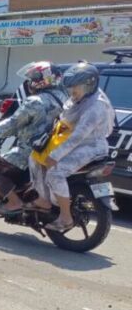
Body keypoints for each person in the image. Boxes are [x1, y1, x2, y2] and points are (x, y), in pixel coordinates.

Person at [29, 62, 115, 231]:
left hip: (92, 147)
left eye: (76, 88)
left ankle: (65, 218)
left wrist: (55, 155)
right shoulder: (83, 97)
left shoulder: (96, 107)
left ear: (89, 85)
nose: (72, 92)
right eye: (70, 88)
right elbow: (65, 115)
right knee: (35, 157)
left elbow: (78, 136)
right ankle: (44, 199)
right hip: (77, 143)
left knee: (55, 172)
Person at [0, 62, 65, 215]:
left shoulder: (35, 101)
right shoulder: (64, 98)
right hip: (56, 150)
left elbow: (13, 124)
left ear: (45, 79)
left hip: (30, 152)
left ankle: (14, 201)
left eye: (35, 77)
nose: (31, 82)